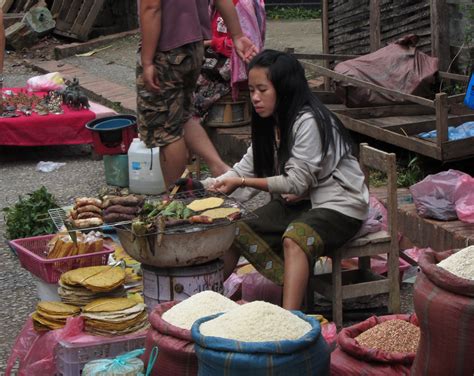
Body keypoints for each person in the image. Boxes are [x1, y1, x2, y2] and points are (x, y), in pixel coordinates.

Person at [208, 50, 370, 310]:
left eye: (262, 89)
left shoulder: (308, 122)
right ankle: (206, 302)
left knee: (295, 238)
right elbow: (245, 169)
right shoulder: (271, 123)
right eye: (251, 90)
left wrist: (242, 183)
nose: (255, 98)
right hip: (305, 200)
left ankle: (289, 320)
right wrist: (210, 188)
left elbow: (295, 183)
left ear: (284, 89)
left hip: (340, 204)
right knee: (238, 229)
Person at [137, 0, 258, 188]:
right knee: (182, 114)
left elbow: (151, 7)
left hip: (166, 49)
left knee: (166, 128)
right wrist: (237, 35)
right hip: (194, 47)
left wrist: (147, 61)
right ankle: (220, 169)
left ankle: (175, 197)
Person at [194, 0, 266, 118]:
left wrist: (211, 42)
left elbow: (248, 45)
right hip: (213, 58)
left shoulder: (243, 5)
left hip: (232, 67)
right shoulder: (213, 4)